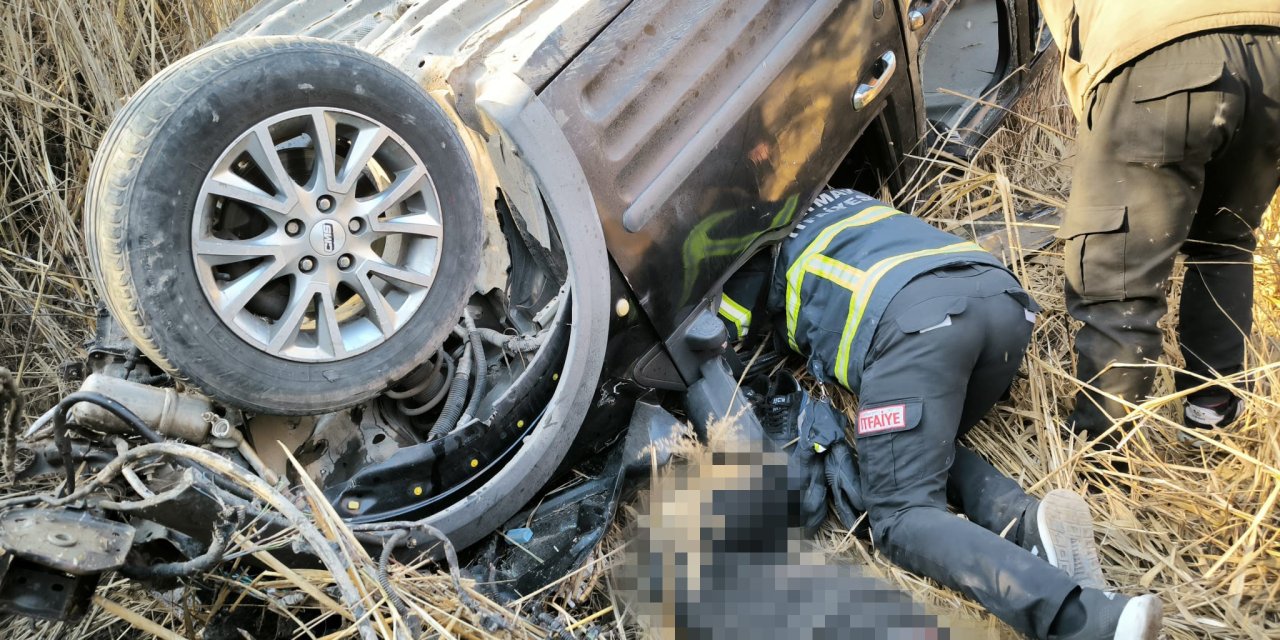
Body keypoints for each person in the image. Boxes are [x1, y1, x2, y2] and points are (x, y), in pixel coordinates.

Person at [729, 189, 1162, 639]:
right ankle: (1025, 521)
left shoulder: (737, 243)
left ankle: (1088, 619)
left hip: (918, 329)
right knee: (914, 451)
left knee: (901, 515)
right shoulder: (833, 194)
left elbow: (725, 351)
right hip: (1002, 304)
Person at [1036, 1, 1280, 443]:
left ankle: (1104, 457)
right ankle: (1212, 419)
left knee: (1118, 275)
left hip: (1161, 51)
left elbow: (1074, 39)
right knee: (1225, 242)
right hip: (1274, 52)